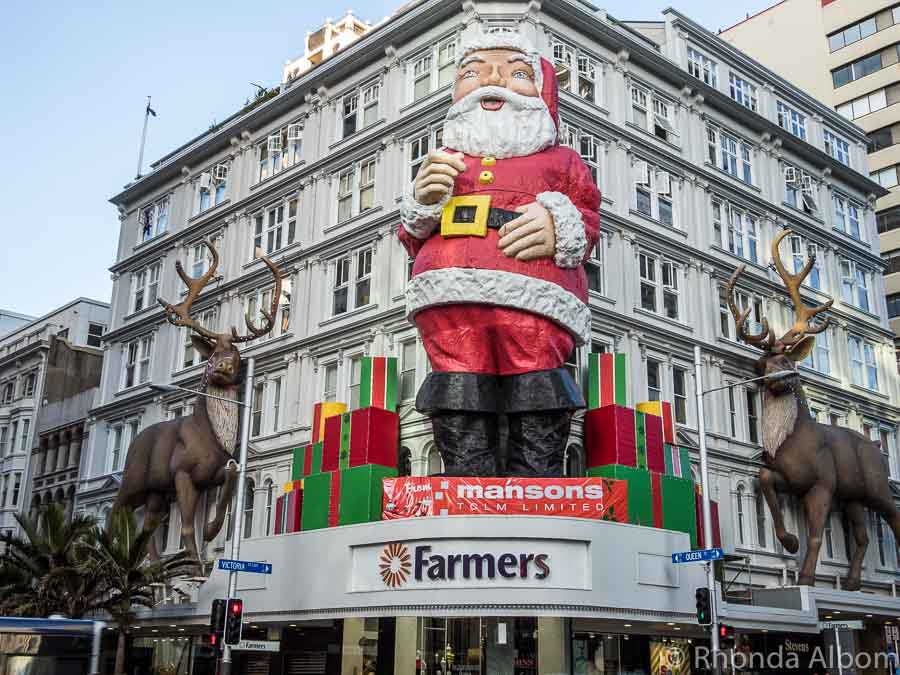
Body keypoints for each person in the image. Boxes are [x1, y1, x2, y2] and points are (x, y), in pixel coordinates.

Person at [398, 31, 601, 477]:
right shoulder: (443, 160)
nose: (493, 81)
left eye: (517, 72)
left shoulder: (561, 161)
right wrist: (422, 202)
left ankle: (537, 482)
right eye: (474, 72)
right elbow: (411, 236)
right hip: (449, 304)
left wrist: (558, 222)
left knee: (537, 386)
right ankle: (468, 481)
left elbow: (587, 218)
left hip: (534, 303)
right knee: (457, 389)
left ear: (543, 92)